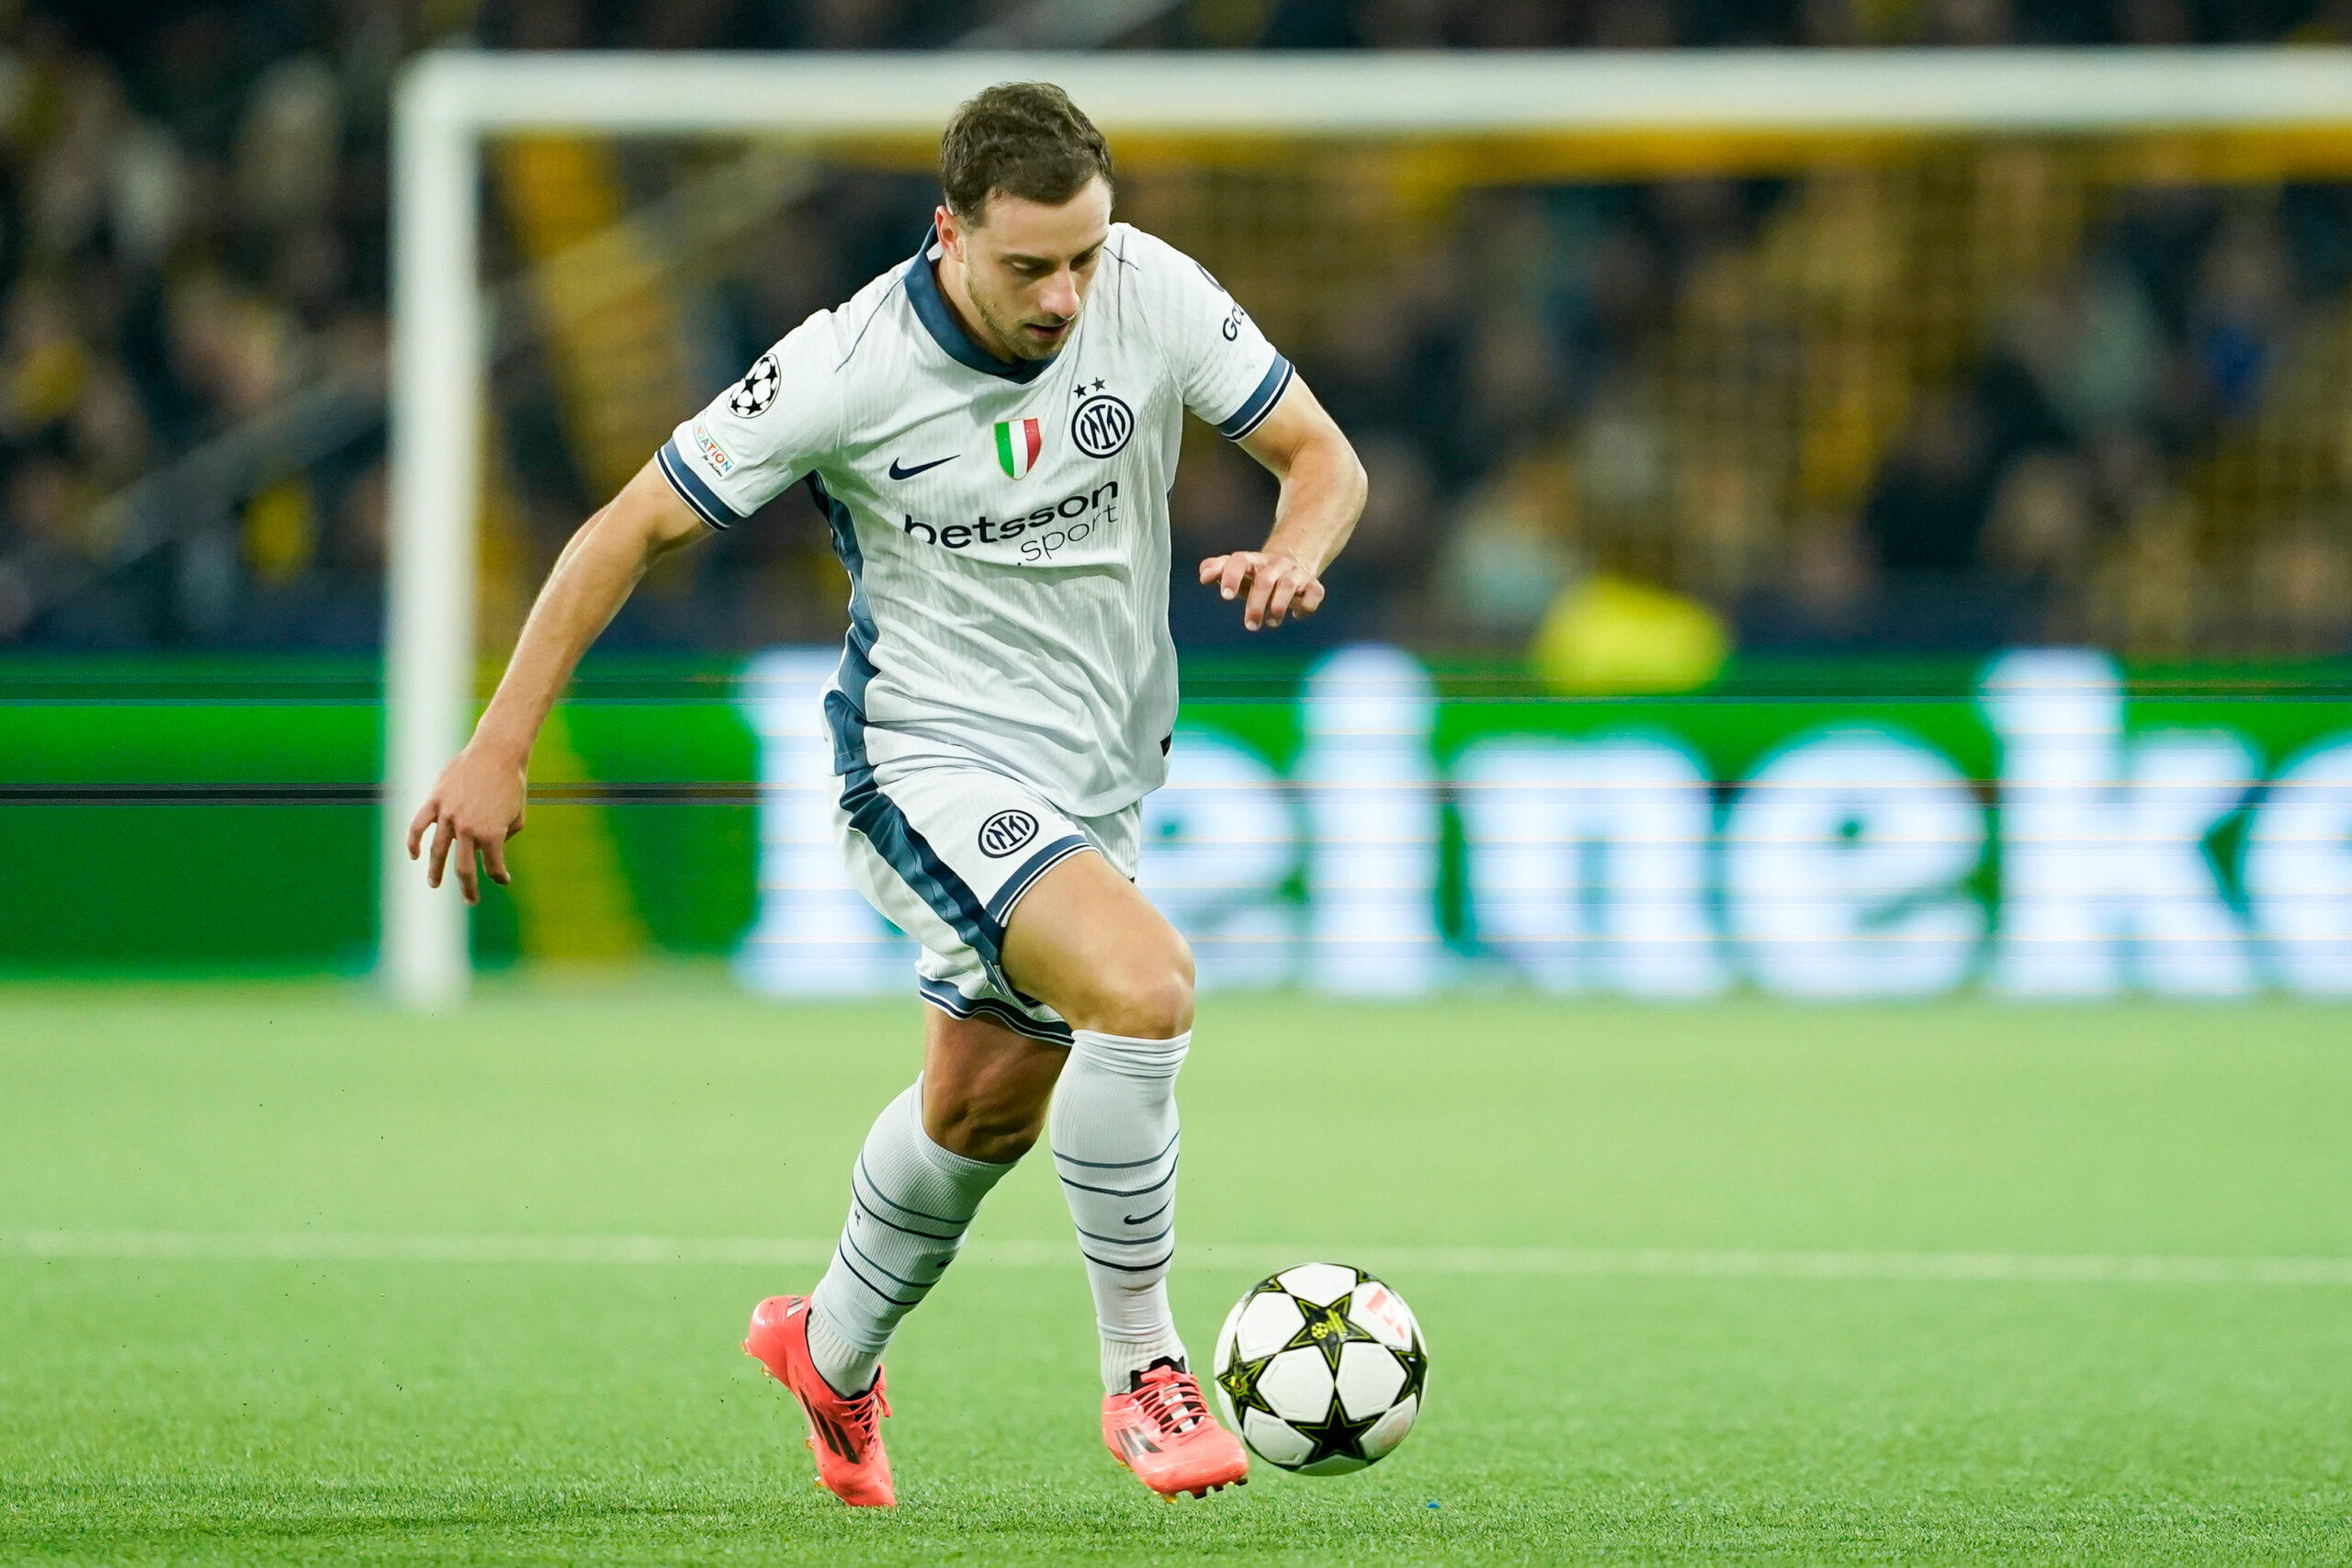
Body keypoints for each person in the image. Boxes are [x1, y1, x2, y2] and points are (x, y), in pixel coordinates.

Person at [404, 82, 1367, 1506]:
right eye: (1029, 265)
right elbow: (628, 528)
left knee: (983, 1112)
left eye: (1084, 257)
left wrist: (1299, 547)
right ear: (950, 235)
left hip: (1102, 774)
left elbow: (1323, 461)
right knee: (1146, 990)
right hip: (925, 759)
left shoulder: (1150, 289)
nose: (1064, 296)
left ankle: (828, 1349)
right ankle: (1143, 1377)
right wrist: (499, 739)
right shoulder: (843, 367)